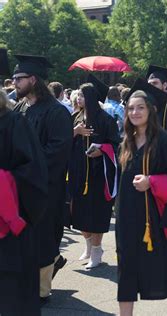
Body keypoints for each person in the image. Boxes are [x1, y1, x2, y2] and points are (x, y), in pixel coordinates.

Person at [116, 83, 167, 316]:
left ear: (151, 111)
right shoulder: (126, 142)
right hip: (129, 214)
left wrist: (153, 182)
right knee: (127, 264)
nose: (135, 112)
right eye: (130, 108)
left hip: (158, 215)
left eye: (140, 107)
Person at [12, 54, 73, 305]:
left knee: (43, 236)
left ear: (33, 79)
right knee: (23, 238)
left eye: (19, 78)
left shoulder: (56, 113)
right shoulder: (20, 108)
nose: (14, 82)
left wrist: (24, 167)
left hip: (45, 188)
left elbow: (57, 151)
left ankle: (41, 290)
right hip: (19, 186)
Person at [0, 89, 48, 316]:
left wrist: (2, 181)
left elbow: (33, 172)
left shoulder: (14, 123)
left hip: (9, 227)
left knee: (11, 296)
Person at [69, 76, 120, 269]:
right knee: (79, 213)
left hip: (100, 175)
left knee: (97, 213)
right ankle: (89, 246)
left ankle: (97, 251)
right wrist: (75, 132)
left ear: (91, 97)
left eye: (82, 95)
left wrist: (103, 150)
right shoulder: (75, 118)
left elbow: (117, 145)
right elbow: (62, 141)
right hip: (79, 172)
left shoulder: (106, 119)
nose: (78, 98)